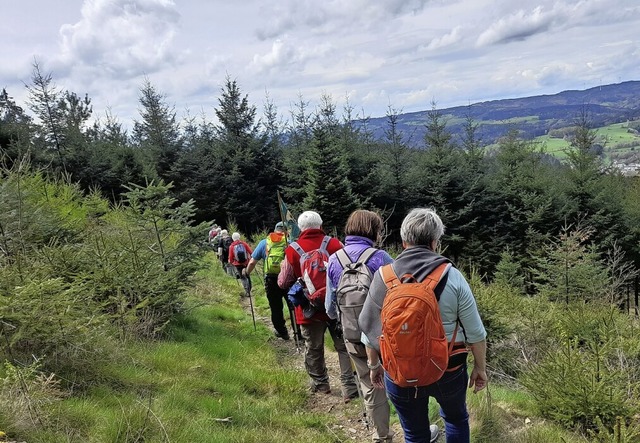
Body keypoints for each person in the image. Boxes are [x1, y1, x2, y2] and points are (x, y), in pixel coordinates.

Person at [360, 207, 488, 443]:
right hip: (448, 368)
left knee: (414, 433)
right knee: (455, 420)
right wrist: (480, 368)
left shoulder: (383, 275)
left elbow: (370, 334)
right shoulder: (453, 276)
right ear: (434, 242)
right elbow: (476, 333)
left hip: (399, 370)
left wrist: (374, 364)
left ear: (403, 240)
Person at [325, 209, 395, 442]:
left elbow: (330, 308)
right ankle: (412, 427)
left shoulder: (335, 259)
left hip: (353, 334)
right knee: (399, 379)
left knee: (369, 381)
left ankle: (381, 435)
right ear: (373, 231)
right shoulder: (381, 258)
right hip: (385, 335)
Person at [278, 210, 358, 400]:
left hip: (308, 308)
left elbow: (283, 282)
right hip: (337, 306)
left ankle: (321, 384)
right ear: (321, 226)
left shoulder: (292, 249)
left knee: (314, 347)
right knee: (343, 346)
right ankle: (350, 388)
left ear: (300, 228)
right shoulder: (335, 244)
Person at [243, 222, 291, 340]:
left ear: (275, 230)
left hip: (271, 279)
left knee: (275, 307)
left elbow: (252, 262)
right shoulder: (290, 243)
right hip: (289, 278)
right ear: (286, 232)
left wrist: (246, 273)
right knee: (293, 305)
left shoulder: (264, 243)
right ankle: (298, 332)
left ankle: (282, 332)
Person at [228, 232, 253, 296]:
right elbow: (250, 252)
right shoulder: (244, 244)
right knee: (247, 275)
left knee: (242, 277)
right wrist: (251, 259)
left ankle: (247, 291)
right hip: (246, 262)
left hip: (238, 264)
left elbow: (230, 257)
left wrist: (231, 262)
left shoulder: (232, 246)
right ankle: (249, 289)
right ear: (239, 237)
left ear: (233, 238)